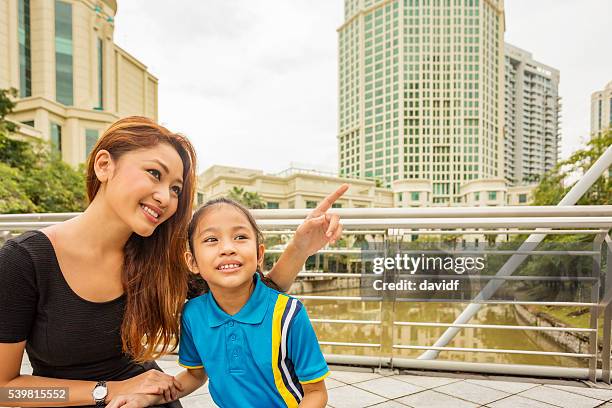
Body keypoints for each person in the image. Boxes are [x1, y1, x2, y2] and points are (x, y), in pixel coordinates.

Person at [0, 116, 347, 407]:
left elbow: (252, 295)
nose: (166, 197)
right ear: (104, 165)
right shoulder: (23, 262)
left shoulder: (158, 258)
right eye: (154, 173)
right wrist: (108, 390)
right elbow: (6, 390)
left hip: (150, 401)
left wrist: (300, 246)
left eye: (177, 189)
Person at [109, 197, 329, 408]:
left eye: (240, 237)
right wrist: (148, 399)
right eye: (211, 240)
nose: (227, 248)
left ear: (259, 254)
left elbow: (316, 393)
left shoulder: (289, 314)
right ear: (192, 261)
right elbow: (195, 375)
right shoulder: (193, 314)